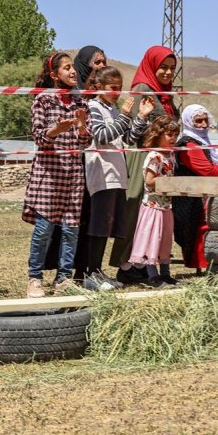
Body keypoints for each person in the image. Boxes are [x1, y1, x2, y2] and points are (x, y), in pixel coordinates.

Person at [24, 52, 91, 298]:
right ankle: (35, 278)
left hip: (73, 175)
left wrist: (82, 128)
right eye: (66, 68)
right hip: (49, 175)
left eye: (73, 67)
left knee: (71, 229)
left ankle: (64, 279)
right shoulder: (42, 100)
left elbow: (86, 141)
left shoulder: (80, 102)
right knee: (44, 229)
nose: (73, 71)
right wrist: (56, 130)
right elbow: (39, 137)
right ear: (54, 75)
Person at [110, 46, 178, 285]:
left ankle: (141, 264)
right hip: (142, 158)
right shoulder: (143, 89)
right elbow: (138, 126)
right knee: (134, 214)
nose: (168, 73)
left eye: (172, 69)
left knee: (154, 217)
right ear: (152, 66)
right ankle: (125, 264)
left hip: (161, 159)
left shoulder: (164, 93)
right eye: (163, 67)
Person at [82, 66, 154, 291]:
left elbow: (128, 138)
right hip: (101, 175)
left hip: (117, 176)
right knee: (98, 228)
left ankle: (98, 271)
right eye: (113, 88)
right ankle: (89, 272)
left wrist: (140, 117)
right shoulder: (92, 107)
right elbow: (102, 136)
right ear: (99, 87)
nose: (117, 92)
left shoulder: (112, 110)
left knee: (108, 228)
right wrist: (124, 116)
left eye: (119, 88)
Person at [46, 45, 108, 277]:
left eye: (104, 62)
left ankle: (85, 270)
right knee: (68, 221)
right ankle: (63, 271)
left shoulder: (97, 93)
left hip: (94, 166)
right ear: (85, 64)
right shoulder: (73, 94)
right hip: (72, 166)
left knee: (89, 219)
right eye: (97, 62)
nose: (102, 67)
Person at [128, 115, 181, 288]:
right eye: (169, 135)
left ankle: (166, 274)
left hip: (166, 206)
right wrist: (167, 184)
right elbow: (150, 181)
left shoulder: (171, 156)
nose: (173, 138)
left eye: (175, 135)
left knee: (165, 241)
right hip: (153, 207)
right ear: (159, 135)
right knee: (153, 240)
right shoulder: (154, 156)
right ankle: (153, 276)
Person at [172, 104, 218, 274]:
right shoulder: (188, 144)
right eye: (198, 121)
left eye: (205, 120)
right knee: (195, 229)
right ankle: (200, 265)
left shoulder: (203, 142)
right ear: (188, 122)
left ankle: (205, 264)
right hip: (189, 197)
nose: (203, 125)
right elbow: (206, 169)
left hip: (201, 194)